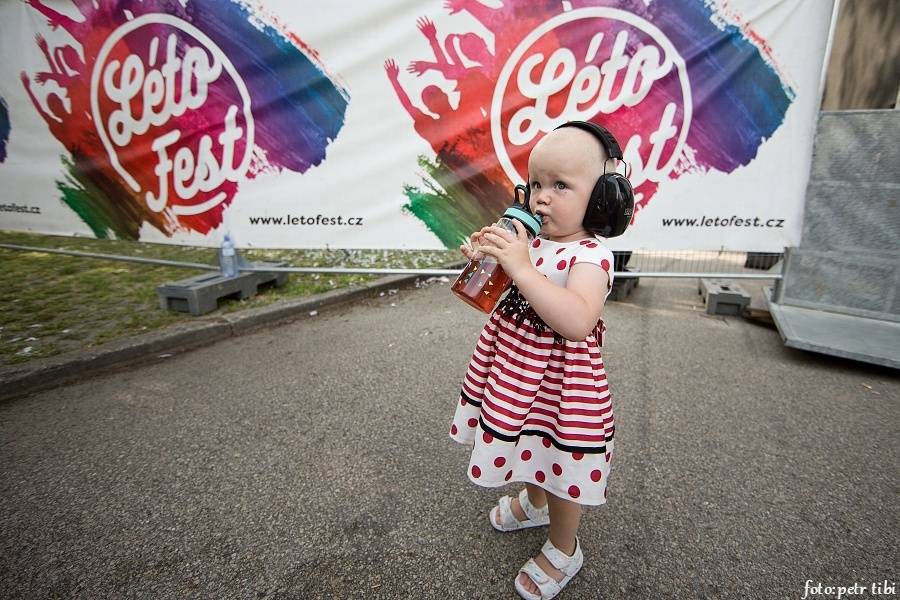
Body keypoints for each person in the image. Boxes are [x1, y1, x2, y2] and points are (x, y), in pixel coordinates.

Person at [450, 122, 630, 599]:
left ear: (602, 200)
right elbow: (503, 291)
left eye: (561, 186)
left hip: (562, 389)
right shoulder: (530, 242)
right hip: (515, 375)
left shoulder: (592, 256)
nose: (541, 199)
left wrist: (523, 268)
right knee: (526, 443)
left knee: (559, 461)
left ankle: (564, 546)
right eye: (537, 184)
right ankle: (533, 504)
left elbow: (576, 320)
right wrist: (487, 258)